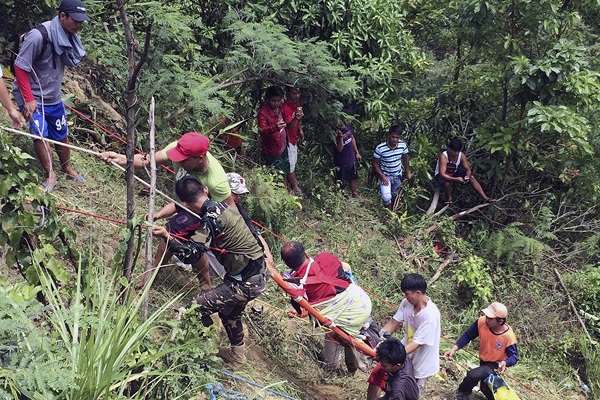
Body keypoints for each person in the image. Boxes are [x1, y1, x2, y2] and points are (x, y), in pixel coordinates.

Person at [152, 176, 268, 366]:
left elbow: (191, 255)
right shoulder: (223, 207)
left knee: (190, 310)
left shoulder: (210, 220)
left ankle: (175, 358)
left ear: (185, 203)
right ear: (205, 190)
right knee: (229, 313)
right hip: (257, 274)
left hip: (245, 281)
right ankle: (237, 357)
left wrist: (167, 236)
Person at [13, 0, 89, 192]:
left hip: (53, 96)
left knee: (61, 133)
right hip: (33, 96)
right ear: (62, 16)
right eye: (75, 20)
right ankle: (49, 173)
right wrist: (28, 99)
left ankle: (67, 168)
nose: (79, 25)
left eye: (81, 21)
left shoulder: (68, 36)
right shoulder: (39, 36)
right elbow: (20, 67)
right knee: (40, 134)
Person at [280, 241, 372, 373]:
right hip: (361, 300)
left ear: (287, 263)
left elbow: (306, 309)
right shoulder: (325, 258)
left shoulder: (295, 284)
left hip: (352, 310)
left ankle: (332, 368)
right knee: (342, 333)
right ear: (305, 253)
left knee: (334, 335)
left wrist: (298, 313)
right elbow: (346, 268)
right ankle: (350, 363)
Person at [101, 131, 233, 205]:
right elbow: (146, 161)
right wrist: (118, 158)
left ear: (199, 158)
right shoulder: (177, 148)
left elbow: (230, 214)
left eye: (183, 158)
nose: (177, 160)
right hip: (183, 206)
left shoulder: (217, 182)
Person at [368, 274, 441, 399]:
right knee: (383, 376)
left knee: (408, 393)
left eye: (407, 293)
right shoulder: (407, 303)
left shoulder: (430, 316)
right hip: (403, 354)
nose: (405, 297)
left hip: (421, 362)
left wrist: (388, 354)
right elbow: (393, 323)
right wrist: (380, 340)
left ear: (418, 293)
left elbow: (416, 344)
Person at [444, 302, 519, 400]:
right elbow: (468, 335)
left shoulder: (508, 336)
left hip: (495, 366)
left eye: (490, 318)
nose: (486, 319)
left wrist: (505, 362)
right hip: (483, 361)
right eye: (486, 316)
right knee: (485, 389)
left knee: (473, 375)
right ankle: (464, 394)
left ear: (500, 321)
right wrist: (454, 349)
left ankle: (462, 393)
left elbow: (514, 357)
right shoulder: (481, 322)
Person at [257, 86, 302, 195]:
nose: (276, 103)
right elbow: (262, 130)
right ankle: (283, 195)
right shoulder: (263, 112)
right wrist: (275, 127)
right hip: (271, 149)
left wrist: (296, 118)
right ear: (267, 99)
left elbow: (286, 122)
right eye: (273, 101)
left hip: (283, 145)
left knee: (286, 169)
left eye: (278, 100)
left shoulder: (281, 107)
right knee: (276, 173)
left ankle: (289, 191)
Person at [434, 138, 491, 204]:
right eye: (454, 151)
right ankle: (449, 199)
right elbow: (442, 174)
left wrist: (467, 176)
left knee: (471, 177)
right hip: (441, 176)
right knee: (447, 182)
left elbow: (468, 169)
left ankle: (485, 197)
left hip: (453, 173)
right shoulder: (444, 156)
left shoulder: (461, 155)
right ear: (449, 149)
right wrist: (456, 179)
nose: (456, 153)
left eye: (457, 151)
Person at [373, 125, 411, 208]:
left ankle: (393, 211)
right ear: (389, 135)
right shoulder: (380, 148)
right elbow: (375, 164)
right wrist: (382, 176)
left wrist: (408, 172)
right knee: (386, 197)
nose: (395, 140)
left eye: (397, 138)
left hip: (397, 175)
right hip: (385, 175)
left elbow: (405, 159)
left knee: (395, 195)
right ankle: (389, 212)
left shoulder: (402, 145)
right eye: (393, 137)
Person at [281, 86, 304, 194]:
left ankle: (290, 188)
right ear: (288, 93)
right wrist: (296, 118)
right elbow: (286, 125)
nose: (297, 95)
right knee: (289, 165)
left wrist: (300, 129)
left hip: (294, 139)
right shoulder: (284, 107)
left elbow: (297, 122)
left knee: (292, 164)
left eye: (298, 93)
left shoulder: (296, 106)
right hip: (287, 139)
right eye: (294, 93)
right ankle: (294, 187)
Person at [334, 124, 361, 197]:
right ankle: (341, 196)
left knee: (353, 176)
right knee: (341, 179)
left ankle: (354, 193)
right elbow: (340, 149)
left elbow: (352, 138)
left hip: (351, 157)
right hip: (341, 160)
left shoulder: (348, 126)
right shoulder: (335, 132)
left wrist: (357, 152)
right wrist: (340, 137)